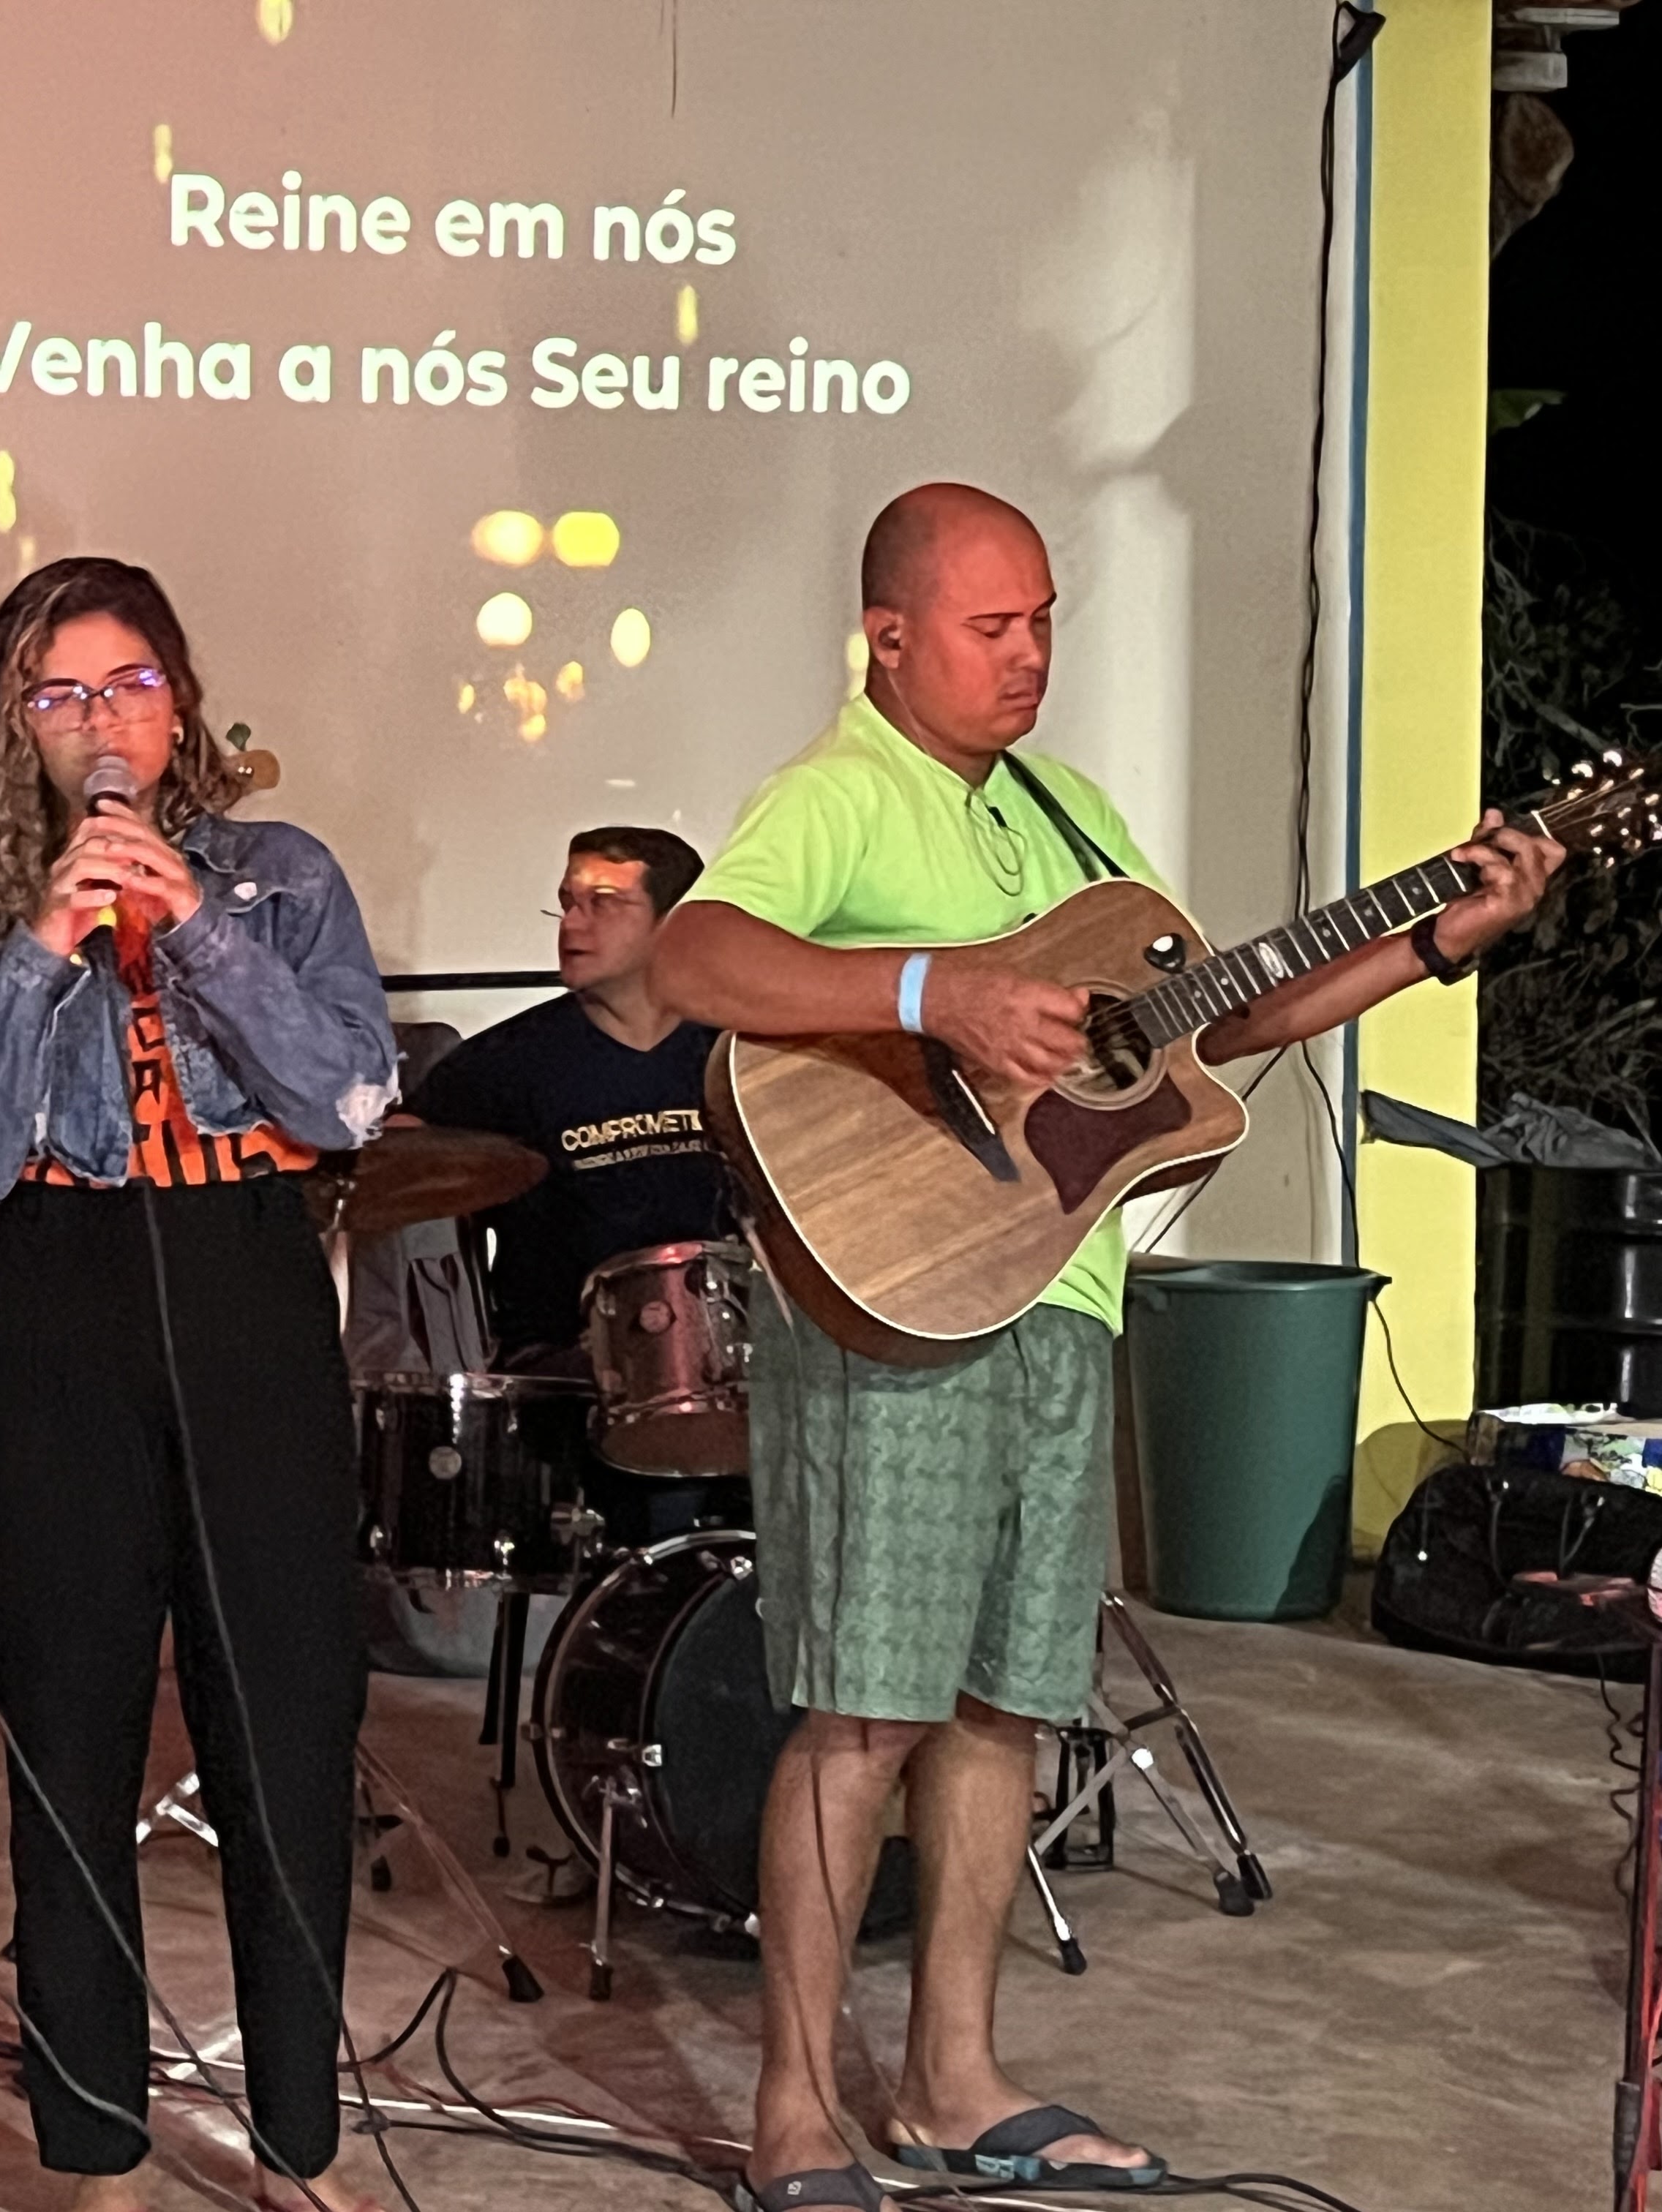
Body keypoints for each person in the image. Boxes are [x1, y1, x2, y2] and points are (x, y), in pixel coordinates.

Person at [654, 482, 1566, 2212]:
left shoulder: (1071, 816)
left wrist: (1438, 937)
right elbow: (696, 956)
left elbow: (1228, 1011)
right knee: (864, 1714)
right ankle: (794, 2107)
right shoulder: (839, 793)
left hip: (1058, 1297)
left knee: (1007, 1707)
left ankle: (953, 2080)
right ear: (889, 637)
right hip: (894, 1302)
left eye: (1045, 622)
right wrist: (934, 994)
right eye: (992, 626)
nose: (1029, 656)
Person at [0, 557, 397, 2212]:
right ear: (12, 724)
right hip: (60, 1299)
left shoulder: (280, 878)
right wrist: (45, 942)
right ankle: (96, 2149)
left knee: (286, 1734)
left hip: (249, 1284)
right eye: (59, 694)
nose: (99, 722)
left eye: (129, 685)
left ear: (180, 705)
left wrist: (194, 927)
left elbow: (346, 1103)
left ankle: (300, 2144)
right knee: (70, 1738)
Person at [410, 825, 733, 1363]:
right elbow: (395, 1163)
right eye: (567, 904)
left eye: (603, 903)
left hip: (731, 1353)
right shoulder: (505, 1062)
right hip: (560, 1366)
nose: (572, 924)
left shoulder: (735, 1052)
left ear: (675, 924)